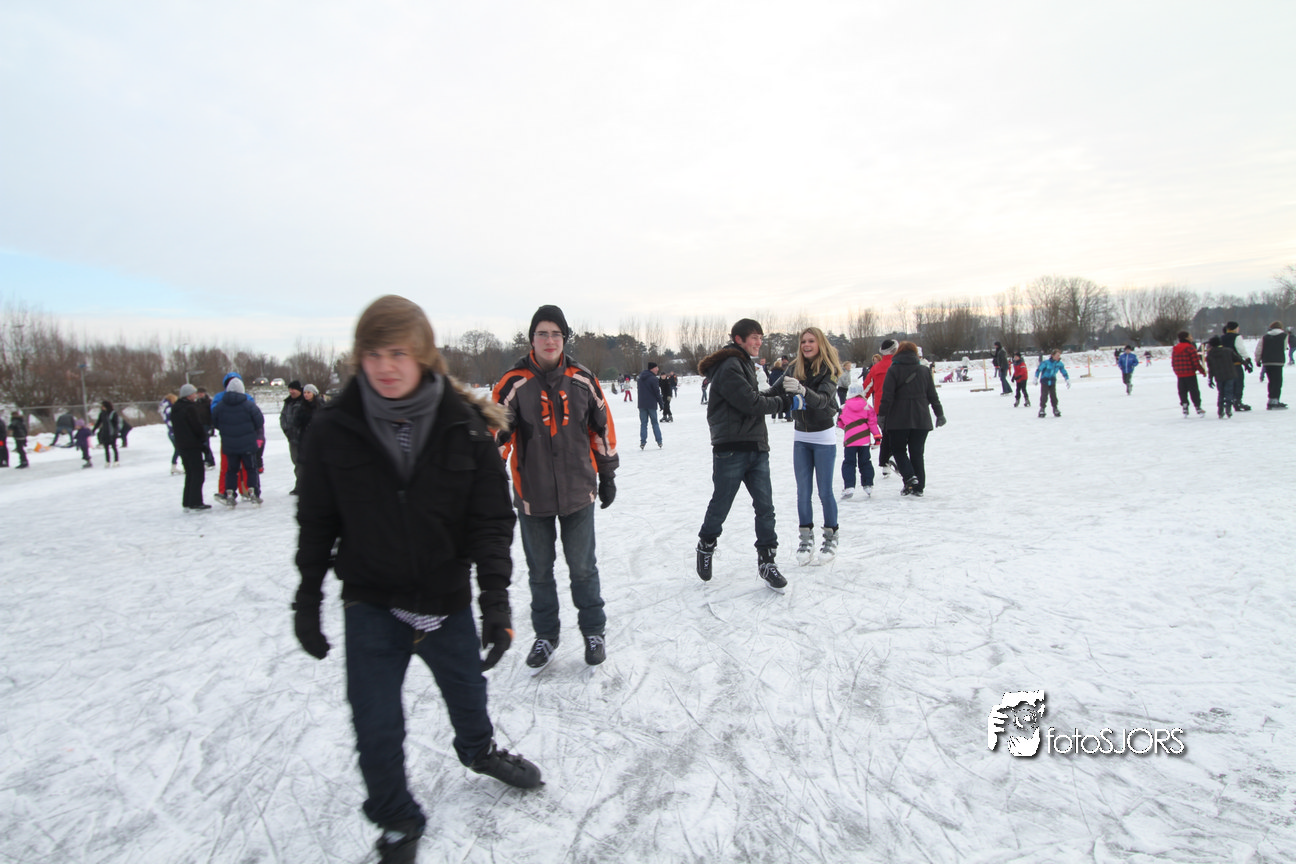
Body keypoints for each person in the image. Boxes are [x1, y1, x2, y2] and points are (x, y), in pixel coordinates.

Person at [294, 294, 541, 863]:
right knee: (375, 722)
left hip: (445, 600)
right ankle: (396, 818)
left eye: (398, 353)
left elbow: (489, 521)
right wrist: (306, 598)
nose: (385, 366)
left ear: (424, 355)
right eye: (373, 354)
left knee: (469, 696)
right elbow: (317, 521)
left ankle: (478, 751)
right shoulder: (334, 429)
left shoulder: (464, 428)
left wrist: (495, 602)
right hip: (372, 603)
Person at [492, 305, 618, 672]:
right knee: (540, 572)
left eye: (556, 334)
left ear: (565, 339)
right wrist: (491, 476)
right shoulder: (513, 382)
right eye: (542, 333)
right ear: (531, 339)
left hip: (579, 491)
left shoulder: (582, 378)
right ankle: (546, 635)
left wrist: (608, 474)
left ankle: (593, 631)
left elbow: (601, 428)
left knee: (583, 568)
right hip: (533, 495)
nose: (549, 340)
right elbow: (495, 434)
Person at [694, 318, 791, 592]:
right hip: (732, 448)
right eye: (754, 337)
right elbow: (750, 403)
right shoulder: (729, 365)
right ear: (739, 339)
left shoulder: (745, 363)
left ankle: (767, 560)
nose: (759, 342)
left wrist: (780, 387)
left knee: (765, 507)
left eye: (761, 337)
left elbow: (755, 396)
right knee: (721, 504)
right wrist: (784, 402)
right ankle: (706, 544)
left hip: (756, 446)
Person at [780, 326, 843, 565]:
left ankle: (831, 537)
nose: (806, 345)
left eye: (811, 341)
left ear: (820, 343)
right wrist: (753, 397)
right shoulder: (793, 368)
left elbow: (823, 401)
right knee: (803, 492)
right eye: (803, 341)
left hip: (823, 438)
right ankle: (806, 539)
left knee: (825, 491)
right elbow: (776, 391)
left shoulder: (830, 369)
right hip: (801, 438)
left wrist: (802, 390)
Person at [878, 342, 945, 497]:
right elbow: (932, 395)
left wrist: (882, 415)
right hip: (921, 417)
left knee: (898, 450)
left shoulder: (893, 370)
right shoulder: (924, 370)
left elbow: (887, 396)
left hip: (898, 419)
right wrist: (939, 414)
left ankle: (909, 478)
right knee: (917, 453)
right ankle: (918, 487)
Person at [212, 377, 265, 506]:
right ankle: (253, 491)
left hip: (229, 444)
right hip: (247, 443)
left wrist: (226, 430)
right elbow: (259, 421)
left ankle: (230, 493)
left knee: (231, 470)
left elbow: (215, 422)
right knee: (251, 468)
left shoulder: (220, 406)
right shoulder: (249, 405)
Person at [837, 380, 879, 500]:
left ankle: (849, 486)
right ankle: (868, 484)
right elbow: (872, 423)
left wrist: (849, 428)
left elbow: (840, 423)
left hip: (850, 439)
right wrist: (877, 437)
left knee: (849, 463)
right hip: (864, 439)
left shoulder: (844, 407)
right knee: (865, 462)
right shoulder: (867, 406)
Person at [861, 339, 899, 473]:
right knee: (898, 436)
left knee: (886, 435)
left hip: (881, 407)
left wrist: (859, 404)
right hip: (899, 407)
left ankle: (885, 464)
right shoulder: (899, 365)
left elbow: (866, 388)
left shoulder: (876, 368)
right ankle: (894, 459)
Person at [172, 384, 210, 510]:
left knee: (189, 473)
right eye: (193, 393)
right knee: (198, 473)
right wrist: (202, 439)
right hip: (192, 444)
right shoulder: (190, 408)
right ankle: (195, 501)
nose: (195, 395)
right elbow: (196, 426)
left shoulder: (176, 408)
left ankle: (187, 500)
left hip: (182, 444)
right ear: (188, 395)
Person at [1171, 331, 1207, 417]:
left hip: (1180, 374)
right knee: (1194, 391)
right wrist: (1202, 371)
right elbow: (1195, 362)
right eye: (1190, 336)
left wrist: (1176, 371)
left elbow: (1173, 362)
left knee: (1182, 391)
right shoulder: (1190, 348)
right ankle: (1198, 407)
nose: (1192, 338)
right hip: (1190, 373)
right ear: (1186, 338)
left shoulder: (1175, 348)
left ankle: (1184, 406)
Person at [1255, 321, 1289, 409]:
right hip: (1278, 361)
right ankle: (1275, 401)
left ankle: (1271, 399)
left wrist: (1258, 360)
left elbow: (1259, 349)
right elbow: (1284, 347)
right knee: (1277, 382)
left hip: (1267, 361)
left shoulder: (1265, 337)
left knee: (1271, 381)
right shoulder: (1284, 336)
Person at [1220, 322, 1253, 411]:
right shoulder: (1237, 337)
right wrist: (1247, 358)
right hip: (1236, 364)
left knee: (1228, 384)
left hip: (1225, 365)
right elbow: (1240, 348)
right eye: (1238, 327)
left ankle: (1228, 401)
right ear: (1234, 328)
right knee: (1238, 383)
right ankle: (1237, 401)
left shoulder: (1222, 338)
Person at [280, 381, 306, 493]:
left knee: (305, 463)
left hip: (305, 439)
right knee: (297, 462)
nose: (291, 391)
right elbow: (283, 418)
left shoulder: (304, 401)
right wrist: (287, 431)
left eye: (293, 389)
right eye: (289, 389)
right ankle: (300, 485)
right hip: (293, 439)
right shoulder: (288, 403)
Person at [1205, 336, 1240, 419]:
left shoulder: (1210, 354)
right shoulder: (1228, 351)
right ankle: (1228, 408)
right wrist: (1246, 364)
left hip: (1219, 376)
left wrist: (1210, 379)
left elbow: (1210, 368)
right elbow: (1238, 358)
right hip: (1230, 374)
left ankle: (1220, 410)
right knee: (1229, 392)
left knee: (1221, 393)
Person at [636, 361, 663, 449]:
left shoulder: (640, 378)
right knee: (654, 423)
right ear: (652, 368)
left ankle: (642, 442)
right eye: (656, 368)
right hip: (651, 404)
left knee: (643, 423)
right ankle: (659, 441)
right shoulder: (653, 379)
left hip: (642, 404)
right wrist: (661, 403)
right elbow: (657, 392)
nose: (658, 369)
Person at [1034, 350, 1070, 418]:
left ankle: (1055, 408)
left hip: (1052, 381)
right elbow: (1039, 369)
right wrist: (1036, 377)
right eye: (1057, 355)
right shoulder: (1046, 363)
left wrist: (1067, 379)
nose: (1058, 357)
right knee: (1044, 395)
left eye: (1059, 355)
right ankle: (1042, 408)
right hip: (1045, 381)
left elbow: (1063, 371)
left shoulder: (1059, 364)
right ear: (1053, 355)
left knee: (1053, 395)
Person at [91, 401, 121, 466]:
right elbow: (98, 422)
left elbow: (116, 424)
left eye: (103, 406)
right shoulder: (102, 413)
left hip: (112, 433)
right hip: (105, 433)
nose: (102, 407)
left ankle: (116, 460)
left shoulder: (113, 413)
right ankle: (107, 461)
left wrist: (116, 432)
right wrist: (93, 429)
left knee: (114, 447)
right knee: (106, 448)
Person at [195, 387, 217, 467]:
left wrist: (212, 426)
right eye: (199, 393)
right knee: (200, 444)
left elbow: (212, 414)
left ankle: (210, 460)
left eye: (201, 393)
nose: (200, 394)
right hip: (199, 425)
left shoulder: (208, 402)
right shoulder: (197, 403)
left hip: (206, 425)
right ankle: (205, 459)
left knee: (206, 443)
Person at [160, 393, 180, 473]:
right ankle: (174, 465)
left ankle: (174, 465)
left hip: (171, 432)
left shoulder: (165, 408)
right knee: (179, 449)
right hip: (174, 432)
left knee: (178, 449)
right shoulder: (170, 409)